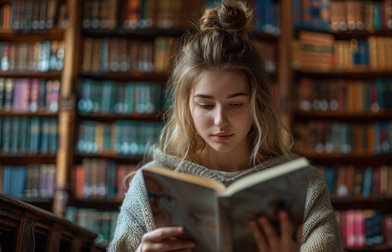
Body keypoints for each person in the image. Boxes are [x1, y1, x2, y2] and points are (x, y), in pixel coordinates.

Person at [108, 1, 343, 252]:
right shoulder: (149, 185)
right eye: (206, 105)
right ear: (186, 106)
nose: (220, 121)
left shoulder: (306, 186)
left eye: (236, 104)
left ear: (258, 104)